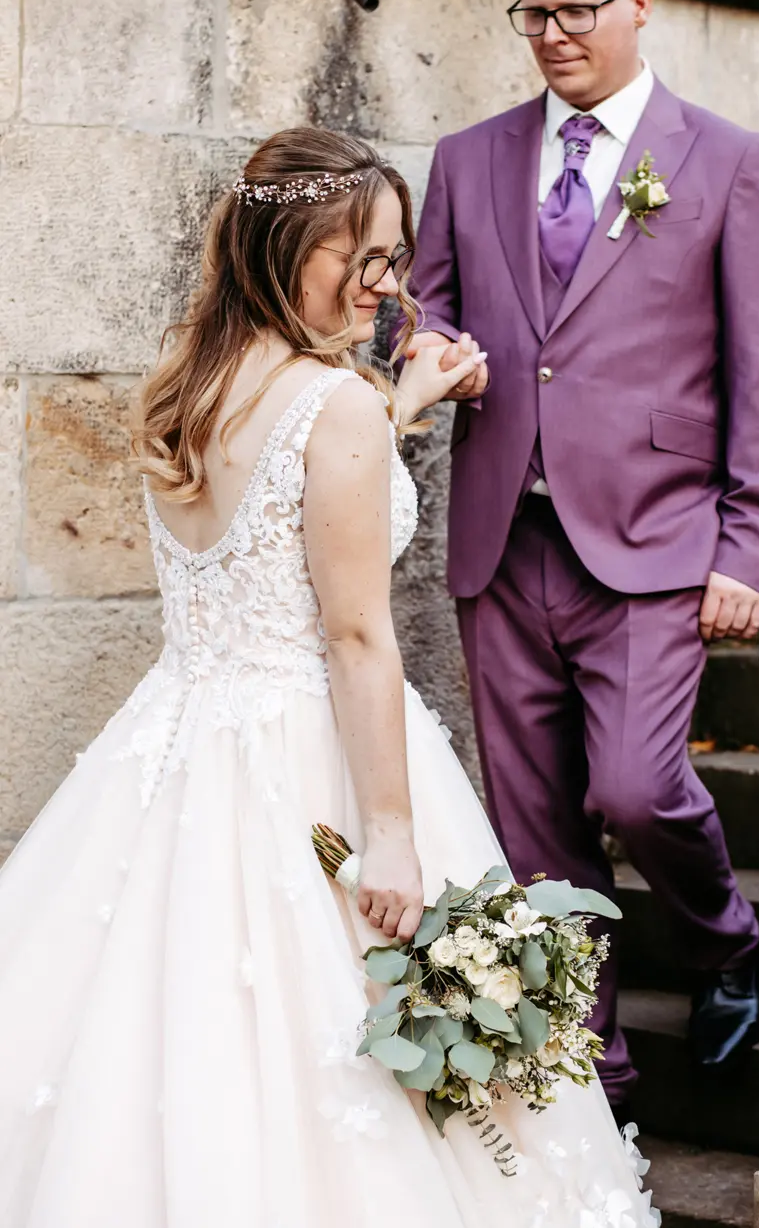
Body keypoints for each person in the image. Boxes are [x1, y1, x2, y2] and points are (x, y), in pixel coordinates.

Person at [0, 127, 659, 1227]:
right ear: (287, 248)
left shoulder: (189, 383)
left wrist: (398, 404)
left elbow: (277, 505)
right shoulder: (335, 404)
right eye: (363, 257)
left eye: (394, 258)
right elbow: (354, 637)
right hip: (311, 759)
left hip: (179, 740)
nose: (386, 284)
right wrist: (390, 833)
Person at [403, 0, 759, 1105]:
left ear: (640, 3)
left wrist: (753, 547)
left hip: (657, 542)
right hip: (502, 540)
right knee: (536, 832)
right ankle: (594, 1084)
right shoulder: (468, 158)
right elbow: (422, 309)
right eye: (532, 12)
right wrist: (431, 349)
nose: (552, 35)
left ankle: (725, 944)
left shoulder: (728, 161)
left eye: (576, 10)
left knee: (634, 788)